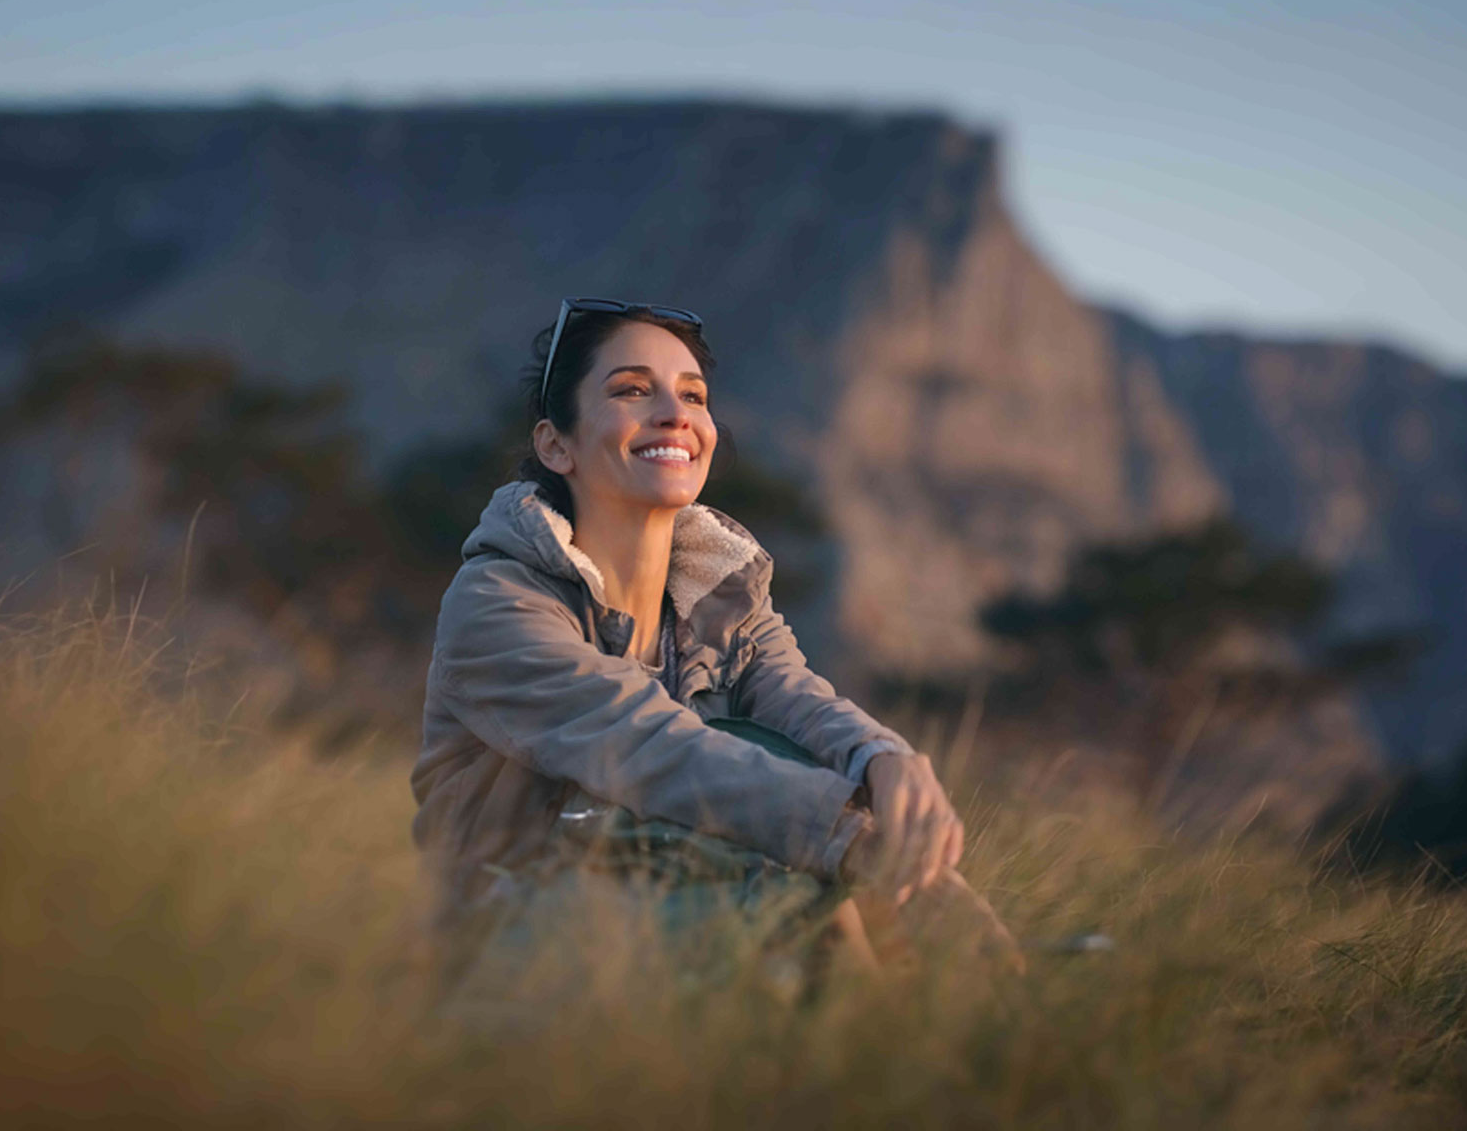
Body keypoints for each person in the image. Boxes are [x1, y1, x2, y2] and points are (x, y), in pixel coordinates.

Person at [410, 297, 1018, 976]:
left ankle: (948, 1021)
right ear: (557, 444)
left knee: (801, 858)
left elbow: (803, 705)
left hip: (681, 917)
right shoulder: (496, 602)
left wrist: (884, 759)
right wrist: (858, 842)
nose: (675, 413)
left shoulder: (723, 606)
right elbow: (651, 747)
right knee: (795, 881)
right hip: (510, 949)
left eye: (693, 395)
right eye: (632, 390)